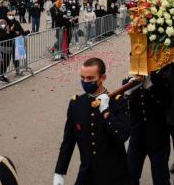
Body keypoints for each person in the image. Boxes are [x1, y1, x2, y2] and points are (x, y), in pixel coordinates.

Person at [53, 57, 130, 185]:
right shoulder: (76, 104)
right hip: (87, 174)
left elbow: (122, 135)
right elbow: (68, 141)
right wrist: (59, 172)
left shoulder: (117, 102)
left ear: (102, 78)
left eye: (90, 78)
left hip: (114, 175)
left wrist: (106, 111)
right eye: (82, 78)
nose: (85, 81)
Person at [125, 74, 170, 185]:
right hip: (137, 138)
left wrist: (150, 86)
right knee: (130, 176)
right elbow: (124, 106)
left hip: (157, 137)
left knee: (161, 179)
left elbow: (167, 103)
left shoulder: (160, 79)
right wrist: (129, 89)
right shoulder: (128, 81)